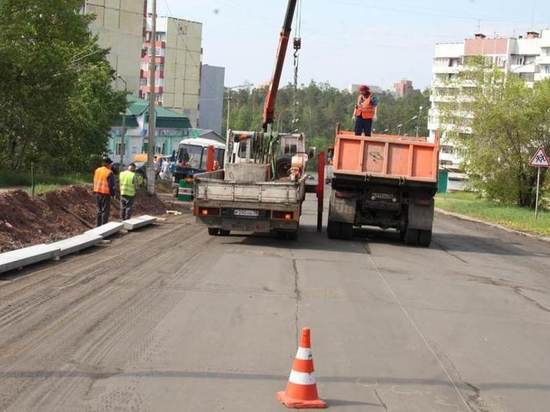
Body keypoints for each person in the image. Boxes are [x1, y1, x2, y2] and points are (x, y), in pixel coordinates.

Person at [93, 157, 115, 227]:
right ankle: (103, 227)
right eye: (110, 164)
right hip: (105, 193)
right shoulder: (109, 172)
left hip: (97, 192)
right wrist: (113, 194)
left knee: (99, 210)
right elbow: (111, 185)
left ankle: (98, 226)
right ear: (108, 164)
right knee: (105, 211)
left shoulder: (97, 170)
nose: (111, 165)